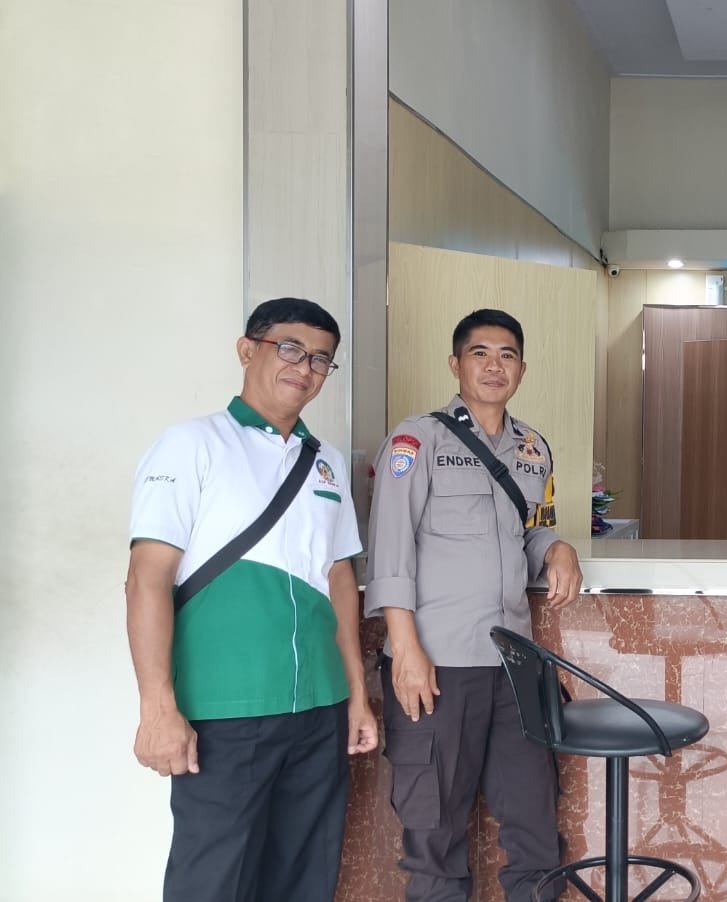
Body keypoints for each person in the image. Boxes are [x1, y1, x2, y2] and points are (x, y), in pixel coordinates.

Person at [126, 297, 378, 902]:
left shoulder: (326, 463)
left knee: (305, 879)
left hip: (318, 708)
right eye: (289, 348)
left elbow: (339, 579)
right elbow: (146, 580)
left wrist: (356, 696)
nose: (305, 367)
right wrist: (157, 708)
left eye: (321, 359)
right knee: (214, 880)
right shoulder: (192, 444)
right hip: (224, 710)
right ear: (247, 350)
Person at [366, 308, 584, 902]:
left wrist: (557, 547)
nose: (494, 366)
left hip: (513, 666)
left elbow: (529, 530)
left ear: (522, 369)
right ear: (455, 364)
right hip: (438, 663)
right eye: (480, 353)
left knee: (536, 827)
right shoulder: (417, 441)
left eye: (507, 355)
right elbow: (390, 551)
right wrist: (406, 651)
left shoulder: (533, 448)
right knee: (434, 835)